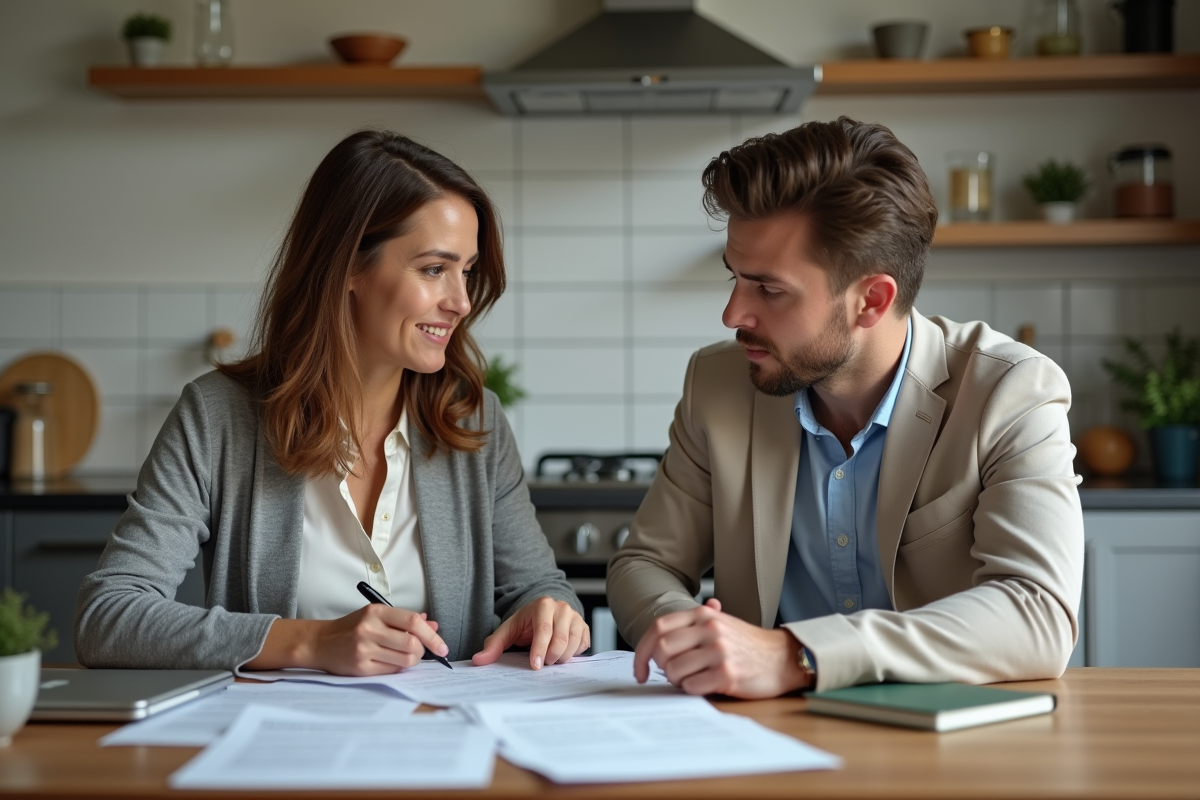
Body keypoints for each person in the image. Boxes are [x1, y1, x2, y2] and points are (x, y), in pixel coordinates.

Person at [76, 130, 588, 675]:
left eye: (467, 272)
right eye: (434, 269)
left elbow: (542, 591)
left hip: (446, 746)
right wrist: (309, 643)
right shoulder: (217, 417)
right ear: (347, 266)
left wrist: (550, 616)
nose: (461, 302)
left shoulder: (475, 420)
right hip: (277, 750)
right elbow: (108, 617)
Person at [608, 117, 1084, 698]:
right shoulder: (717, 383)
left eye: (769, 288)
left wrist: (798, 656)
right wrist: (684, 631)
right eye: (734, 278)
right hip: (762, 736)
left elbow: (1036, 615)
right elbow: (644, 564)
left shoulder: (1011, 392)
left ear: (871, 300)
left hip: (947, 745)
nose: (733, 314)